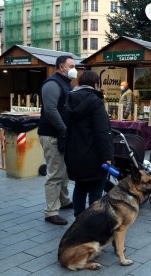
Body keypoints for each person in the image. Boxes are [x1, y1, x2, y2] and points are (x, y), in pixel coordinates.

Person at [64, 71, 113, 217]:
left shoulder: (70, 99)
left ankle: (79, 219)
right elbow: (102, 132)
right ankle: (93, 222)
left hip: (74, 154)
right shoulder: (96, 102)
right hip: (94, 155)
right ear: (96, 84)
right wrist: (107, 156)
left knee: (80, 186)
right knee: (96, 190)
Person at [38, 55, 77, 225]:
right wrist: (64, 128)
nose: (74, 68)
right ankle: (51, 212)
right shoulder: (52, 84)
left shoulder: (65, 83)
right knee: (55, 174)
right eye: (71, 65)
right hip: (52, 134)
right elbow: (51, 110)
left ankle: (64, 201)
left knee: (64, 170)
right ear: (61, 67)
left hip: (61, 134)